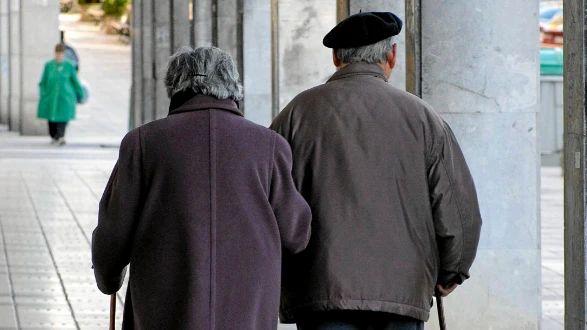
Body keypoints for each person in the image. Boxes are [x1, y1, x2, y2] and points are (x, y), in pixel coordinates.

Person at [270, 12, 483, 330]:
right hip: (402, 291)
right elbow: (458, 209)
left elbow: (271, 200)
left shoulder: (296, 114)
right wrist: (452, 271)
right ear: (392, 55)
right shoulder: (423, 117)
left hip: (319, 290)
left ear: (336, 57)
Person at [92, 47, 312, 329]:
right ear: (233, 86)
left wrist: (109, 278)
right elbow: (295, 234)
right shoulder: (269, 145)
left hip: (164, 304)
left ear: (174, 87)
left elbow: (114, 231)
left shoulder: (143, 142)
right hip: (247, 303)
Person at [37, 44, 84, 146]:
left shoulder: (69, 65)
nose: (59, 57)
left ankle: (61, 136)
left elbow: (75, 82)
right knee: (52, 119)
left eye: (61, 54)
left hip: (65, 97)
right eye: (57, 54)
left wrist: (80, 94)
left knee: (63, 118)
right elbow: (43, 82)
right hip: (51, 97)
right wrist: (43, 93)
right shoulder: (49, 65)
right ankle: (54, 136)